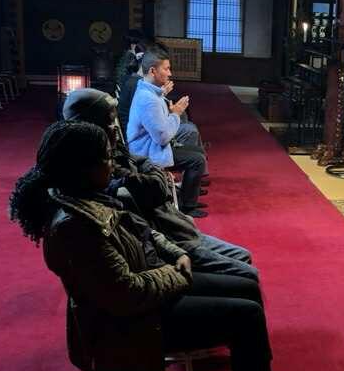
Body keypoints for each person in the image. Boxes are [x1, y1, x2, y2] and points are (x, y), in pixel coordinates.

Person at [9, 121, 290, 371]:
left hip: (153, 289)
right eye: (105, 158)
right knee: (246, 316)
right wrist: (178, 273)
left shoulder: (88, 196)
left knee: (247, 286)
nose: (112, 164)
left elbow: (145, 231)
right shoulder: (73, 226)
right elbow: (127, 293)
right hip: (133, 324)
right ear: (82, 168)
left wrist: (176, 255)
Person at [62, 88, 258, 283]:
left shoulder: (114, 152)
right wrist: (175, 115)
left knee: (244, 256)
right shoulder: (100, 175)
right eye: (109, 123)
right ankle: (189, 204)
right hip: (169, 239)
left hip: (177, 229)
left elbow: (146, 166)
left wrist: (148, 168)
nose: (115, 128)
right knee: (248, 273)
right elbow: (156, 186)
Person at [127, 50, 208, 215]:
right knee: (197, 160)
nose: (170, 73)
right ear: (152, 71)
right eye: (166, 68)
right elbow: (162, 137)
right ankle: (187, 206)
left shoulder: (148, 90)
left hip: (151, 146)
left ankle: (186, 198)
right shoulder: (148, 99)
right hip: (146, 153)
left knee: (198, 152)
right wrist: (176, 114)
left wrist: (166, 101)